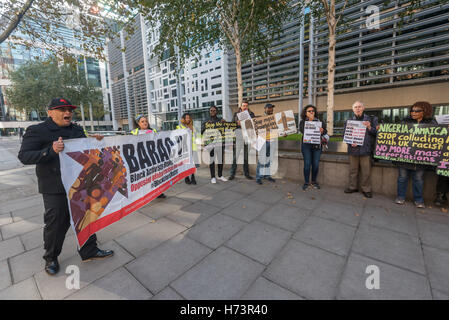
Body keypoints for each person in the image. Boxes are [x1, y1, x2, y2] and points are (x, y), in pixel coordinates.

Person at [18, 98, 114, 276]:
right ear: (50, 112)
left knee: (86, 217)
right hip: (54, 187)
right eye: (61, 109)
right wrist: (50, 151)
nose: (67, 113)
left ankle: (89, 251)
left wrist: (96, 142)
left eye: (69, 109)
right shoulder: (37, 131)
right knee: (56, 223)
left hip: (81, 183)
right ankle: (51, 257)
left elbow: (85, 151)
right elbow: (24, 156)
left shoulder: (77, 129)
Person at [395, 101, 436, 208]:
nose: (413, 112)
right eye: (412, 110)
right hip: (405, 156)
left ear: (425, 111)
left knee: (418, 179)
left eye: (417, 110)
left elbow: (437, 138)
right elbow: (395, 134)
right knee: (402, 178)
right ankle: (400, 197)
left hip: (421, 158)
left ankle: (418, 199)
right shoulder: (405, 121)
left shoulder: (432, 123)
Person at [344, 101, 378, 198]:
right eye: (355, 107)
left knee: (366, 172)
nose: (358, 109)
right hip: (353, 150)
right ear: (353, 109)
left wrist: (369, 127)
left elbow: (376, 133)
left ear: (363, 108)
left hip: (366, 150)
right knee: (353, 171)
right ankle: (352, 187)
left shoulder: (371, 119)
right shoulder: (349, 121)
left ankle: (366, 189)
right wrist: (350, 142)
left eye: (359, 107)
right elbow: (345, 135)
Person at [131, 114, 166, 198]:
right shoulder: (134, 132)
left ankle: (158, 192)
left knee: (155, 175)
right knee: (144, 177)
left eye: (146, 121)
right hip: (142, 158)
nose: (145, 123)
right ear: (138, 123)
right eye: (142, 122)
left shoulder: (153, 131)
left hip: (152, 157)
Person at [299, 104, 327, 190]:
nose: (311, 112)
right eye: (309, 111)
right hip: (306, 146)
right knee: (307, 164)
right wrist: (310, 121)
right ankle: (306, 182)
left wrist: (322, 131)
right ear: (305, 113)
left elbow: (325, 131)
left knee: (315, 165)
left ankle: (314, 181)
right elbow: (302, 130)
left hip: (317, 146)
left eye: (312, 111)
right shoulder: (302, 122)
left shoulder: (320, 121)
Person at [201, 105, 228, 184]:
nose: (212, 112)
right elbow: (201, 131)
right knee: (212, 160)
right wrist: (206, 125)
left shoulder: (220, 120)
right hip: (211, 143)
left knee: (220, 160)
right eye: (211, 110)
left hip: (219, 143)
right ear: (209, 112)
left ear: (217, 111)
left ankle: (220, 175)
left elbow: (226, 130)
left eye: (214, 110)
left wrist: (225, 123)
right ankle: (213, 177)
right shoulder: (206, 120)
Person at [230, 99, 255, 180]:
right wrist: (237, 124)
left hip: (247, 137)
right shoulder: (236, 114)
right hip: (238, 137)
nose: (245, 107)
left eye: (246, 106)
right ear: (241, 106)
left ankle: (246, 174)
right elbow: (232, 126)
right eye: (244, 105)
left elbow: (254, 126)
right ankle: (232, 174)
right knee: (235, 157)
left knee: (246, 157)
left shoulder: (251, 114)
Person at [256, 103, 277, 185]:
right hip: (263, 141)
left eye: (272, 108)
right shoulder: (260, 118)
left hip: (272, 141)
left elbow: (278, 129)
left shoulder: (274, 118)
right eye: (269, 108)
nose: (271, 109)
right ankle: (259, 177)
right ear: (265, 109)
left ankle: (267, 175)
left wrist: (283, 133)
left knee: (269, 160)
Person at [177, 112, 199, 185]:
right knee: (186, 164)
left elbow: (197, 136)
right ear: (183, 119)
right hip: (185, 148)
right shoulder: (179, 127)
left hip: (193, 148)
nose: (188, 119)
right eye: (186, 118)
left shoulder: (193, 127)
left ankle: (193, 177)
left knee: (193, 164)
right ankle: (186, 177)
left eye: (189, 118)